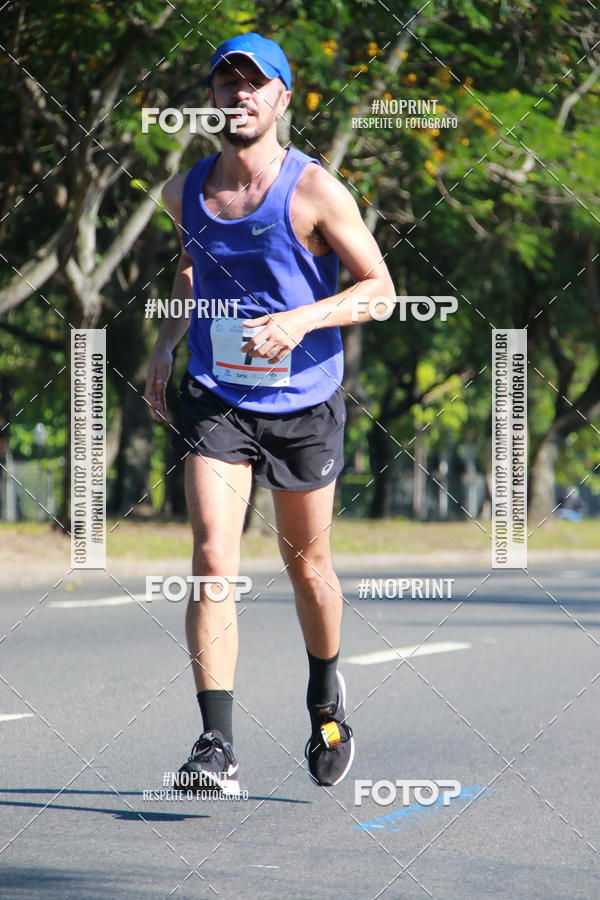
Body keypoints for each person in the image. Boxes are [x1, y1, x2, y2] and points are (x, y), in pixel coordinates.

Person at [144, 32, 394, 792]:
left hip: (303, 403)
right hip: (217, 395)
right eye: (226, 82)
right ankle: (214, 744)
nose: (239, 95)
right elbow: (193, 266)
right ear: (211, 98)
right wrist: (166, 341)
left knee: (306, 565)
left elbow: (379, 290)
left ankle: (325, 692)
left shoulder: (315, 190)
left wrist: (299, 322)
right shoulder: (184, 189)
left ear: (284, 98)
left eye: (256, 84)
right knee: (213, 558)